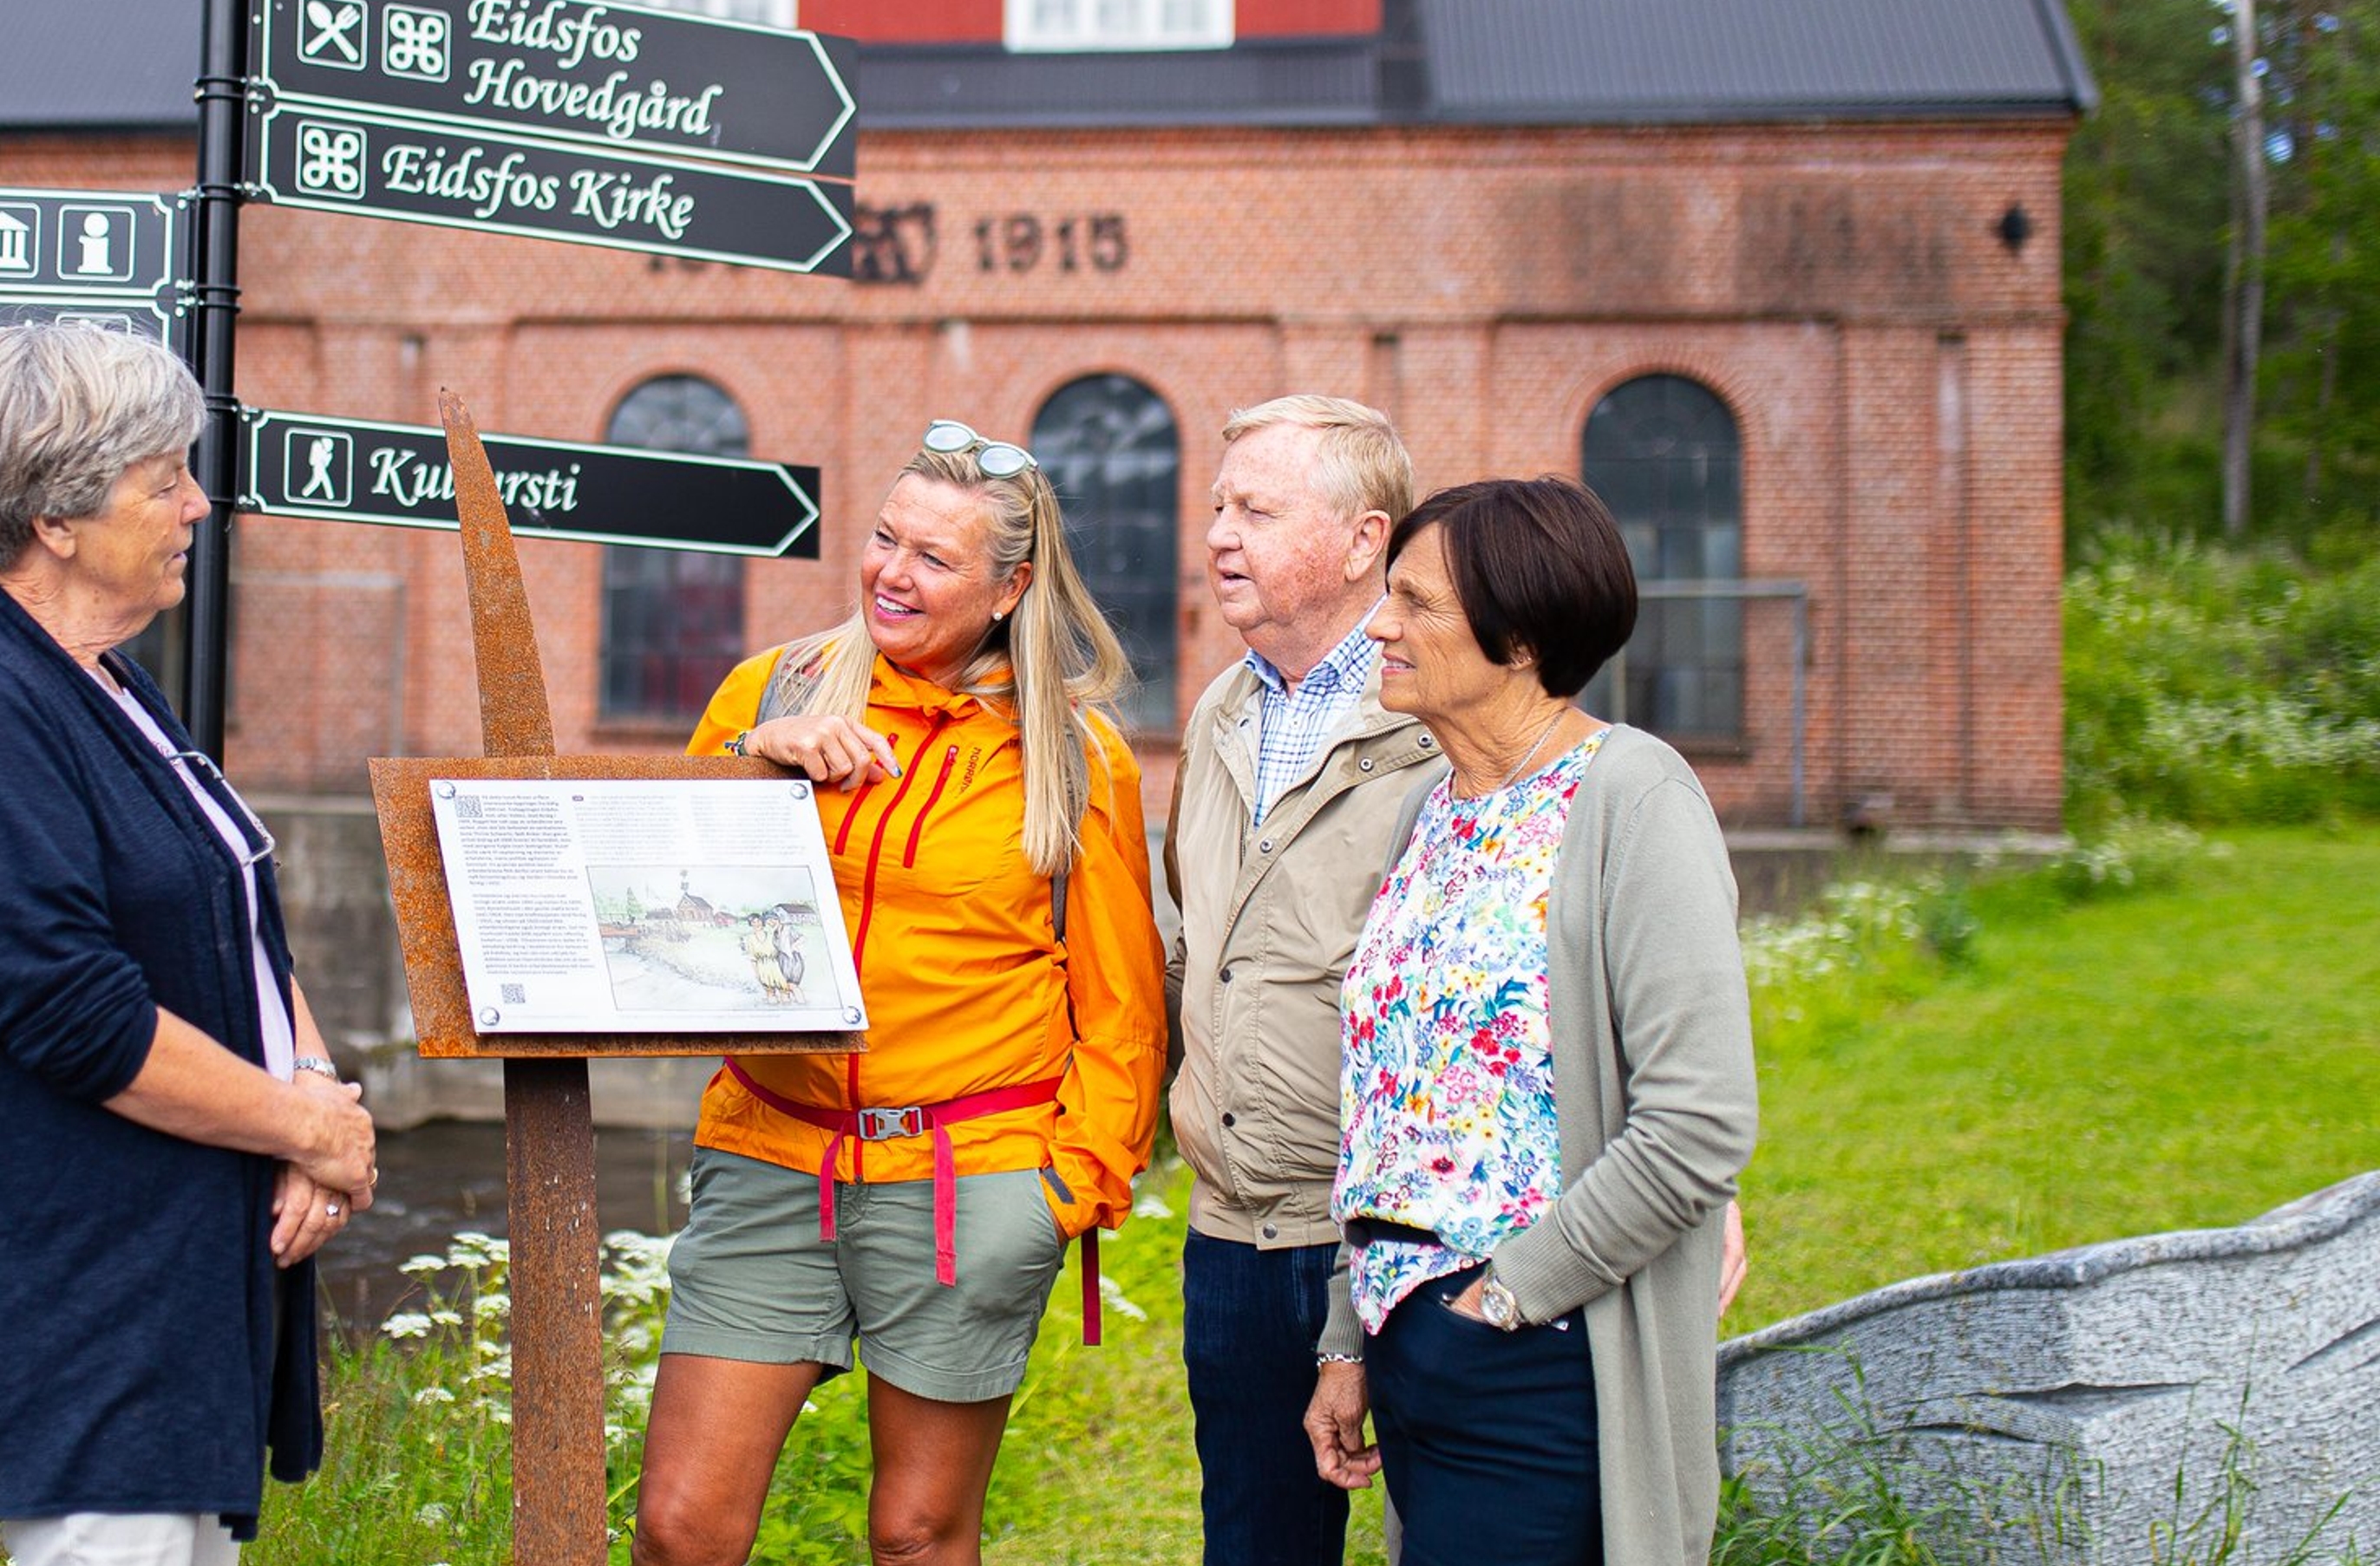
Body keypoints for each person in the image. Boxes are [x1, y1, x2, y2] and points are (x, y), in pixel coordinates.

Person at [0, 322, 379, 1566]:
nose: (197, 503)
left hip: (158, 1297)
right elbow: (71, 1010)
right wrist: (306, 1130)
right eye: (163, 479)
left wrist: (310, 1086)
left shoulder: (106, 681)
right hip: (73, 1310)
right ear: (56, 518)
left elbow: (226, 908)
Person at [633, 421, 1168, 1566]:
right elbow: (649, 901)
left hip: (970, 1178)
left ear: (1009, 586)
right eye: (884, 539)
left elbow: (1123, 1000)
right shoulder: (769, 689)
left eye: (933, 557)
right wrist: (751, 766)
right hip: (777, 1153)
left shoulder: (1076, 757)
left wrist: (1069, 1187)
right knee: (682, 1528)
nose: (890, 572)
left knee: (919, 1534)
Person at [1305, 477, 1758, 1566]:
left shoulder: (1633, 798)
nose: (1379, 624)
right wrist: (1347, 1338)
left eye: (1414, 602)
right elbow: (1390, 1109)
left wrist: (1507, 1300)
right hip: (1412, 1340)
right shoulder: (1437, 807)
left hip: (1545, 1352)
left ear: (1516, 636)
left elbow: (1696, 1127)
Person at [1161, 396, 1442, 1566]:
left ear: (1365, 539)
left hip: (1396, 1239)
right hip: (1232, 1234)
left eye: (1258, 511)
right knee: (1257, 1542)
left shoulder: (1437, 719)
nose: (1219, 534)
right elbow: (1189, 943)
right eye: (1220, 506)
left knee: (1454, 1534)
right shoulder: (1221, 710)